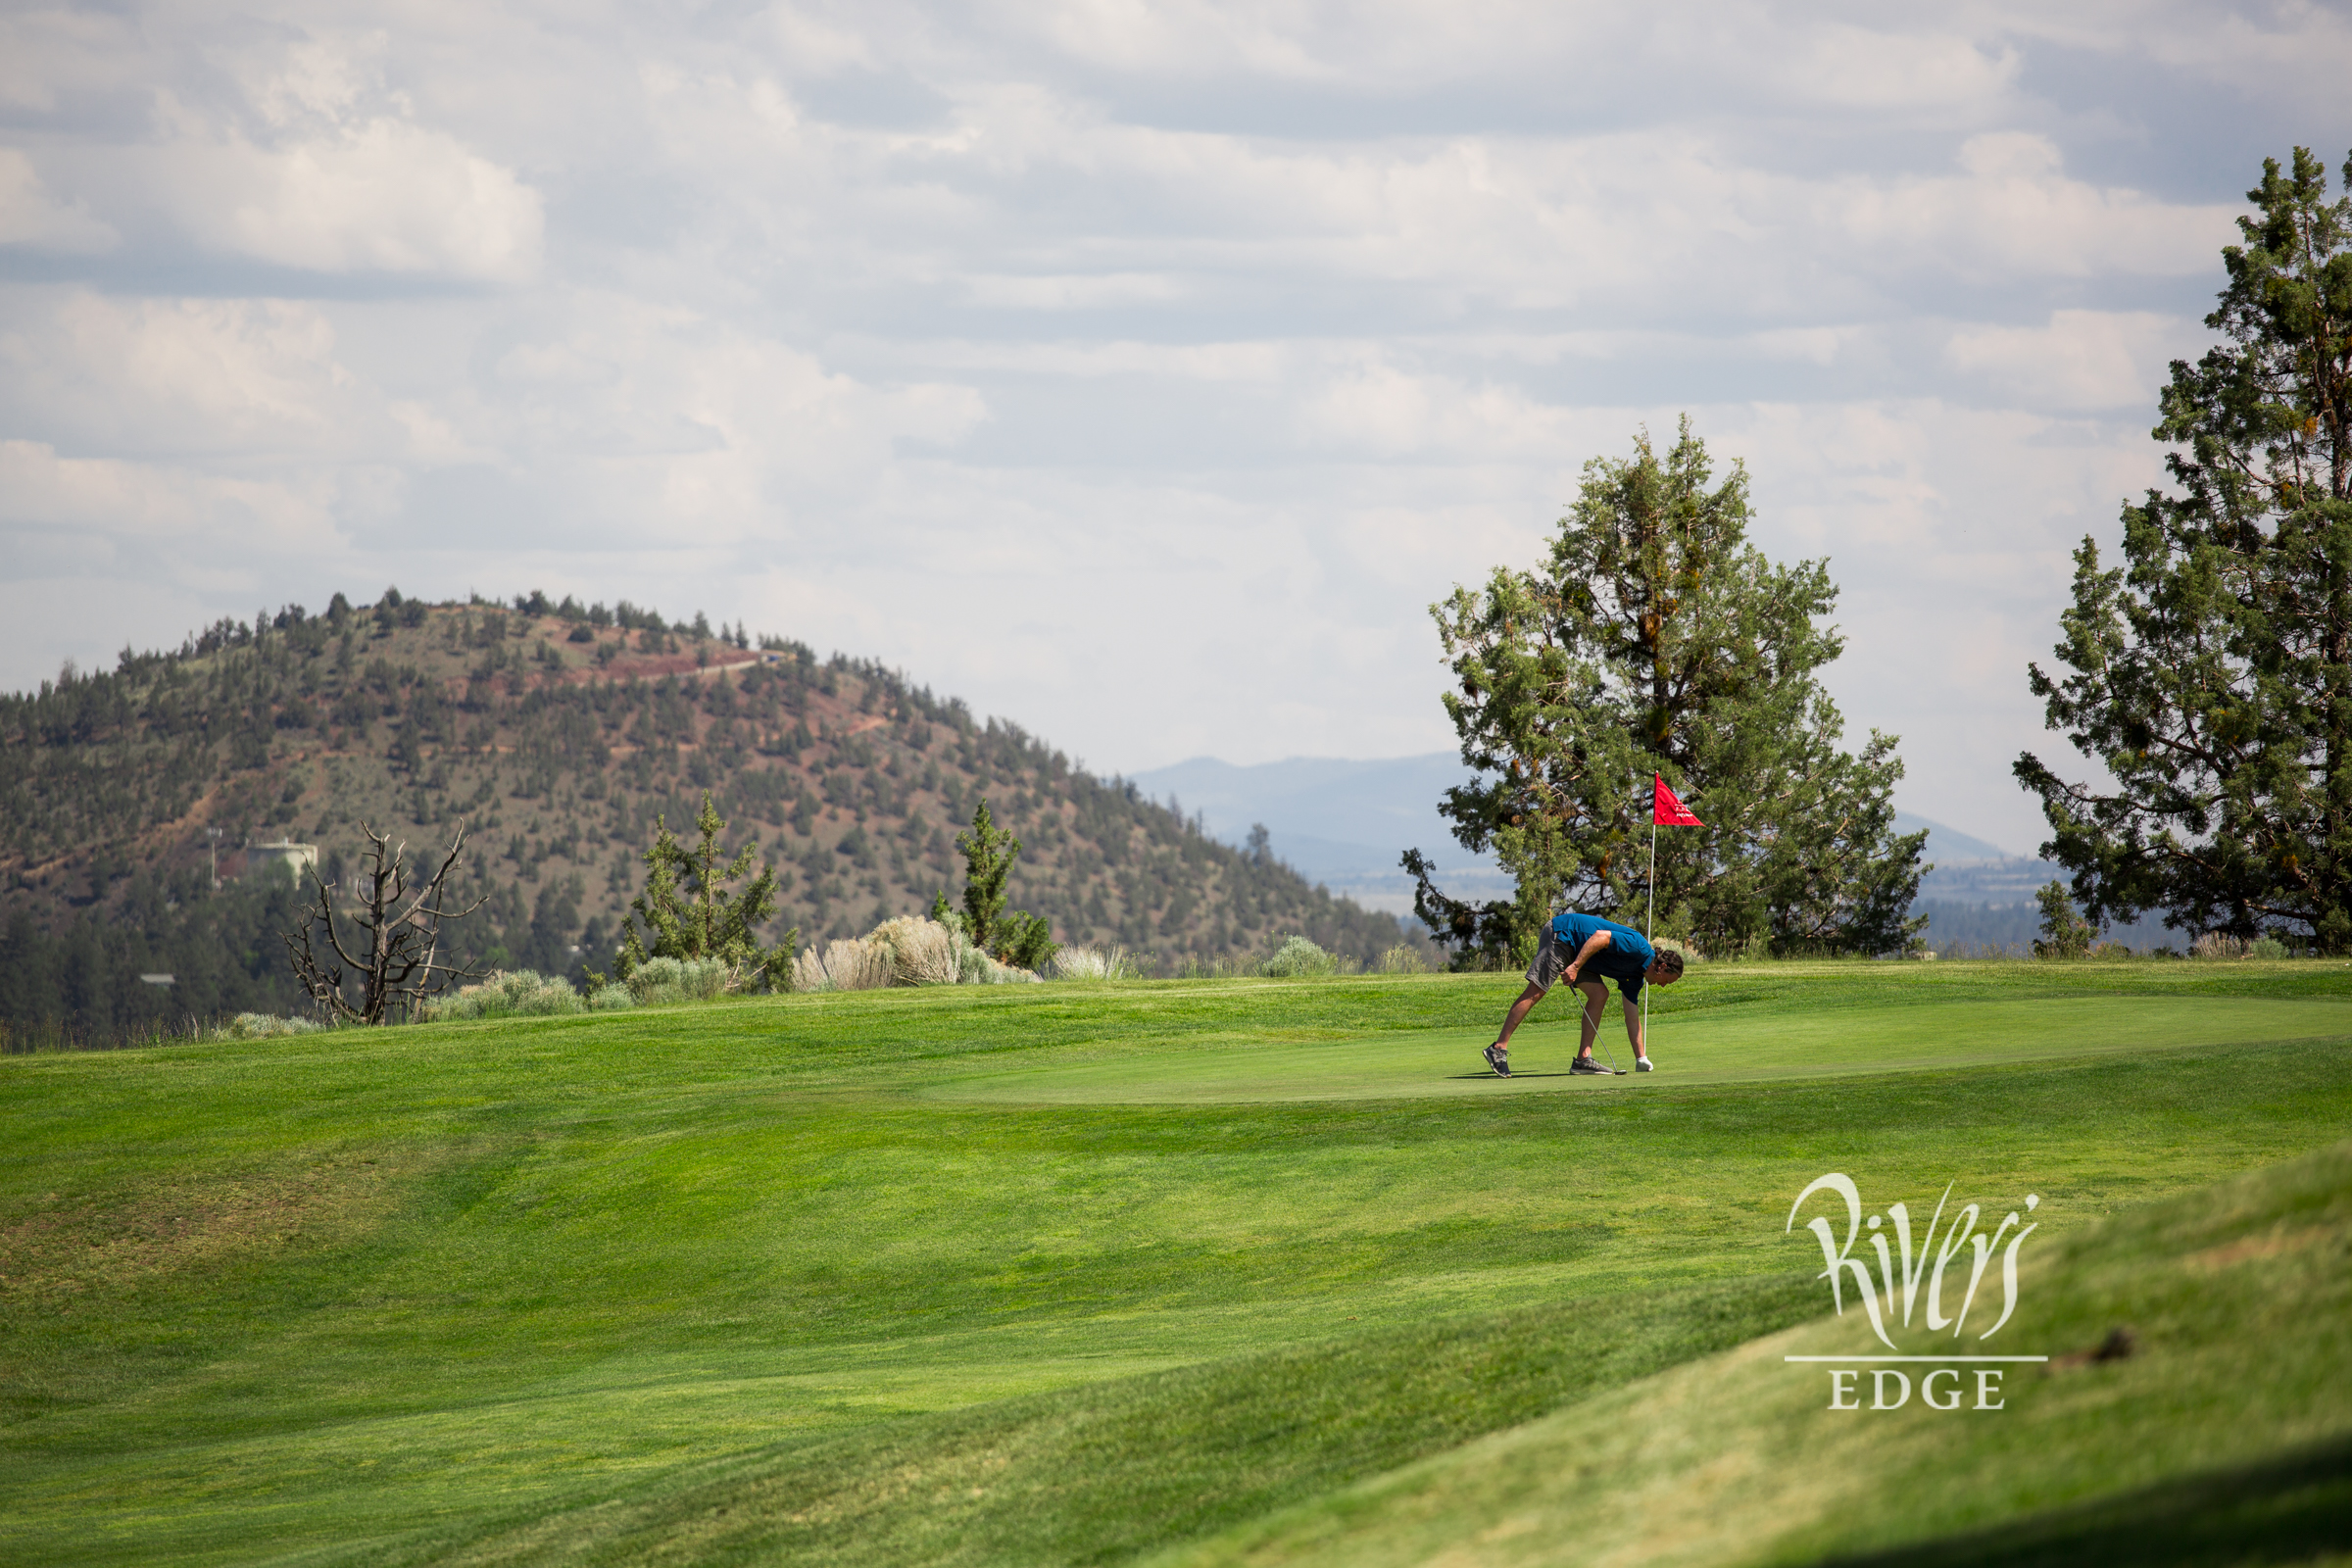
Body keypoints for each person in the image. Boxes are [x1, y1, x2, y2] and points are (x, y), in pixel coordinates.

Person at [1484, 911, 1684, 1077]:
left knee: (1599, 994)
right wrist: (1575, 966)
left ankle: (1582, 1060)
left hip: (1580, 953)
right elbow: (1600, 937)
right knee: (1537, 991)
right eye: (1667, 981)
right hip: (1563, 934)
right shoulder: (1638, 948)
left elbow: (1632, 1018)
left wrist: (1641, 1059)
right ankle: (1498, 1049)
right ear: (1662, 967)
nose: (1664, 986)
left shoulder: (1635, 978)